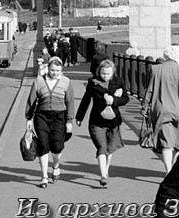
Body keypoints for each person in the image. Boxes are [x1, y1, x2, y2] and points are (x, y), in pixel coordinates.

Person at [141, 45, 179, 175]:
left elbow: (149, 90)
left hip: (160, 110)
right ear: (178, 56)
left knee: (166, 143)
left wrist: (144, 106)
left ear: (165, 56)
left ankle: (168, 170)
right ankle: (173, 166)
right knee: (178, 140)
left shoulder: (155, 69)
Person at [75, 58, 129, 188]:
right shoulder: (93, 83)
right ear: (99, 71)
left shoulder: (118, 82)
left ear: (113, 73)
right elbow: (86, 100)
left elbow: (125, 99)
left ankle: (105, 170)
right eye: (103, 73)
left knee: (110, 149)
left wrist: (114, 100)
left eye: (108, 74)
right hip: (97, 121)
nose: (105, 76)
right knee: (102, 147)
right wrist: (79, 117)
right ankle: (103, 175)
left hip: (113, 121)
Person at [25, 56, 74, 188]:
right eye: (53, 70)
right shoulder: (39, 81)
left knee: (57, 147)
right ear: (48, 69)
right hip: (41, 116)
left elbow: (70, 102)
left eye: (58, 70)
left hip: (59, 117)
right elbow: (31, 101)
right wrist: (28, 119)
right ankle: (44, 176)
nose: (55, 73)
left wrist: (69, 121)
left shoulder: (66, 82)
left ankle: (56, 166)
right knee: (43, 145)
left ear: (61, 70)